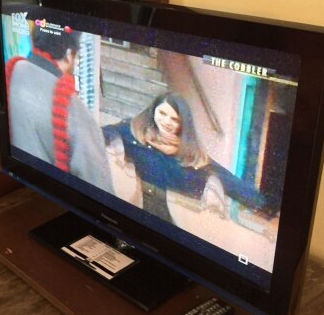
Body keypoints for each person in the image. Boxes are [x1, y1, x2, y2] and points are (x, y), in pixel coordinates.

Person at [103, 92, 267, 224]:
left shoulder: (191, 155)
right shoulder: (135, 133)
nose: (166, 122)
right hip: (135, 215)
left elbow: (227, 180)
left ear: (183, 123)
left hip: (173, 224)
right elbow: (103, 134)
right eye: (162, 113)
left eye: (174, 119)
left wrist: (262, 205)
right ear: (154, 111)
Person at [6, 20, 113, 193]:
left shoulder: (13, 70)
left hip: (17, 187)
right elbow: (101, 193)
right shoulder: (76, 112)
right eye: (77, 57)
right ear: (70, 54)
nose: (76, 63)